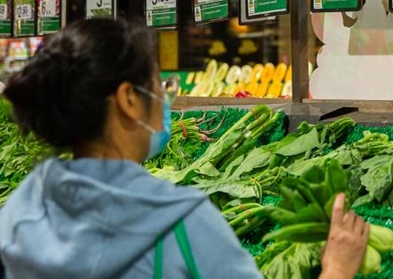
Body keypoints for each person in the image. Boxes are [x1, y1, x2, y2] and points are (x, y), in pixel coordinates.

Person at [0, 18, 369, 279]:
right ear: (129, 100)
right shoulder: (182, 227)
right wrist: (336, 268)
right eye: (159, 85)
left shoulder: (19, 210)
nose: (165, 98)